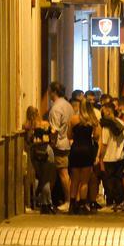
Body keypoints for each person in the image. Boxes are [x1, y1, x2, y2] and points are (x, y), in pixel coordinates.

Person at [68, 99, 101, 214]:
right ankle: (82, 205)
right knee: (85, 181)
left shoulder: (73, 119)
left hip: (76, 149)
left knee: (75, 179)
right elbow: (97, 136)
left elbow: (69, 135)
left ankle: (72, 205)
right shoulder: (92, 121)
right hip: (87, 150)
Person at [24, 106, 57, 214]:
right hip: (47, 151)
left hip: (35, 153)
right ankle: (47, 204)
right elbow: (53, 133)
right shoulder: (45, 124)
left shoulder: (27, 126)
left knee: (42, 178)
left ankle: (45, 204)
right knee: (46, 179)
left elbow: (28, 141)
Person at [98, 102, 124, 210]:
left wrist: (100, 158)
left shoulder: (106, 126)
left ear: (108, 111)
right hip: (120, 156)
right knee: (118, 180)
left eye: (103, 110)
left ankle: (111, 203)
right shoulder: (121, 123)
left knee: (109, 181)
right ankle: (120, 202)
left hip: (108, 157)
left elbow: (104, 143)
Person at [47, 82, 74, 212]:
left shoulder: (56, 108)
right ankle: (68, 199)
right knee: (65, 173)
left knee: (63, 174)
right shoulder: (68, 105)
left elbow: (54, 130)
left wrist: (51, 143)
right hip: (68, 143)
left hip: (60, 144)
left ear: (53, 92)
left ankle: (68, 201)